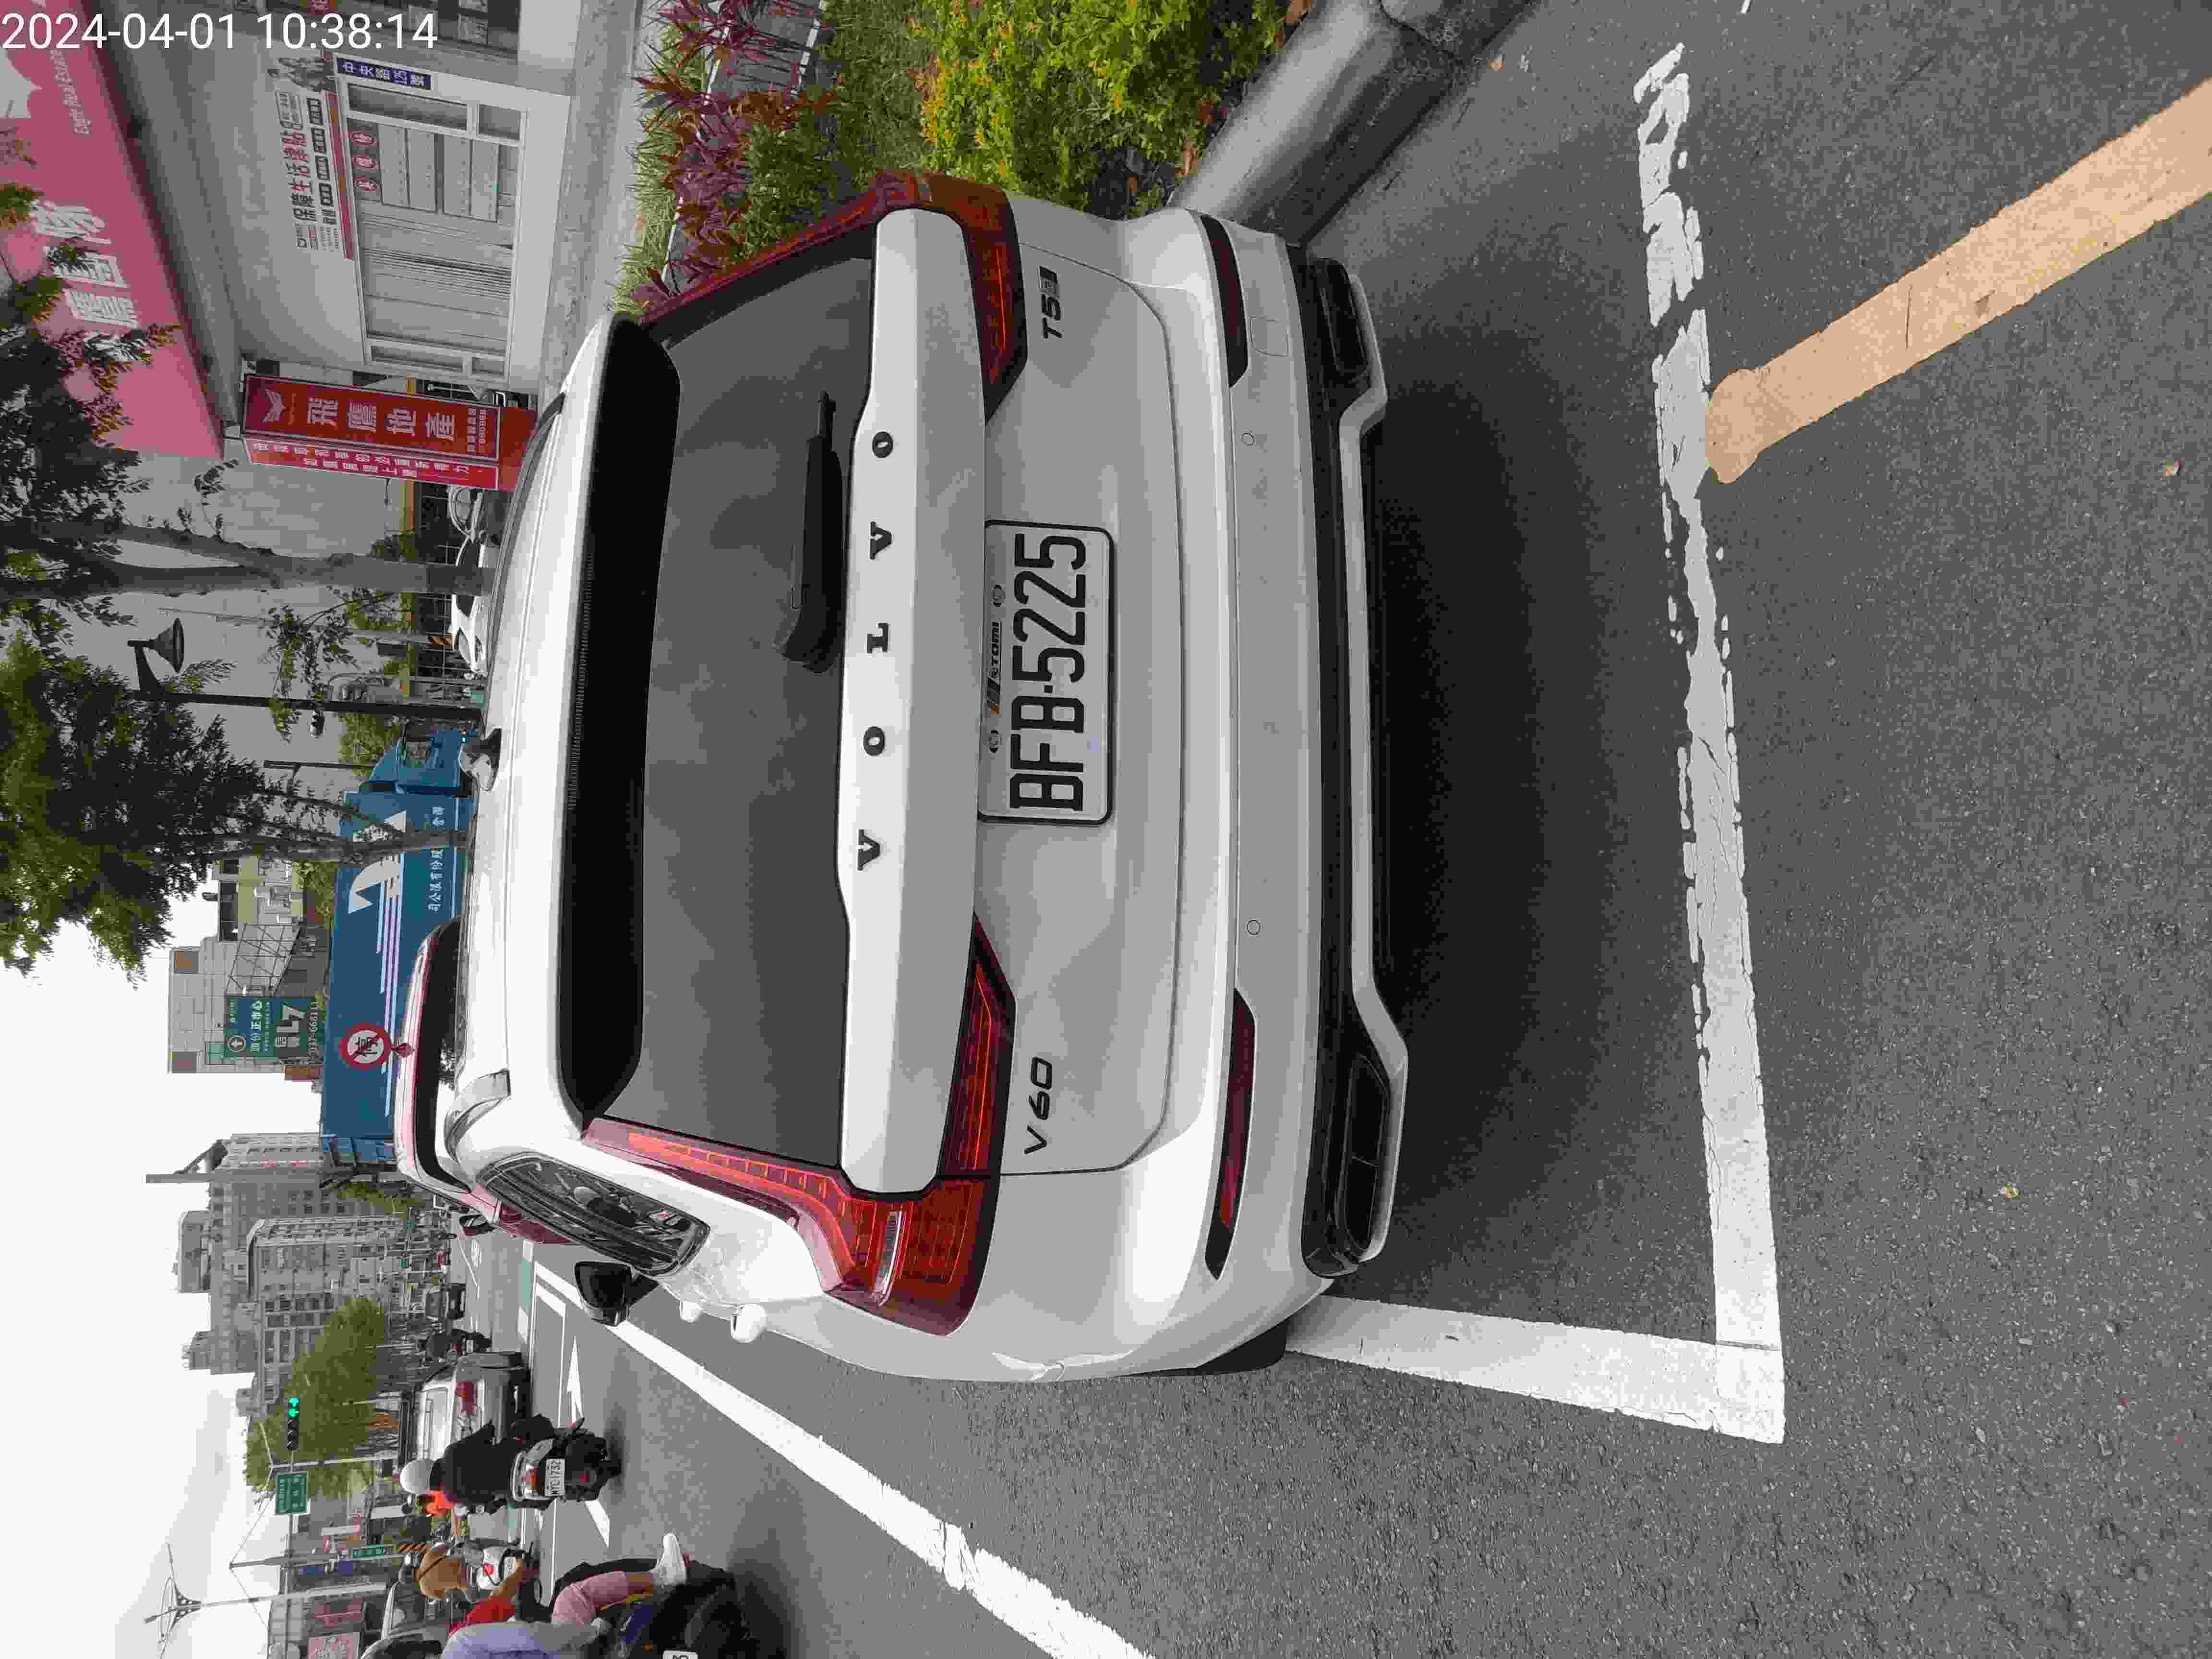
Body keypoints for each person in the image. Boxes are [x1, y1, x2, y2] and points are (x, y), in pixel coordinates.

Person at [441, 1535, 688, 1658]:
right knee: (572, 1595)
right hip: (560, 1651)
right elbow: (532, 1636)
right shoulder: (461, 1643)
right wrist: (591, 1632)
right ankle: (662, 1577)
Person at [399, 1411, 574, 1509]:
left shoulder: (451, 1496)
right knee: (520, 1427)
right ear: (423, 1464)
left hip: (514, 1488)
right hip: (516, 1454)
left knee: (516, 1503)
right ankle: (562, 1434)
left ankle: (564, 1493)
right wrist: (488, 1426)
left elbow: (486, 1499)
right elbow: (483, 1436)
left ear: (423, 1488)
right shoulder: (451, 1453)